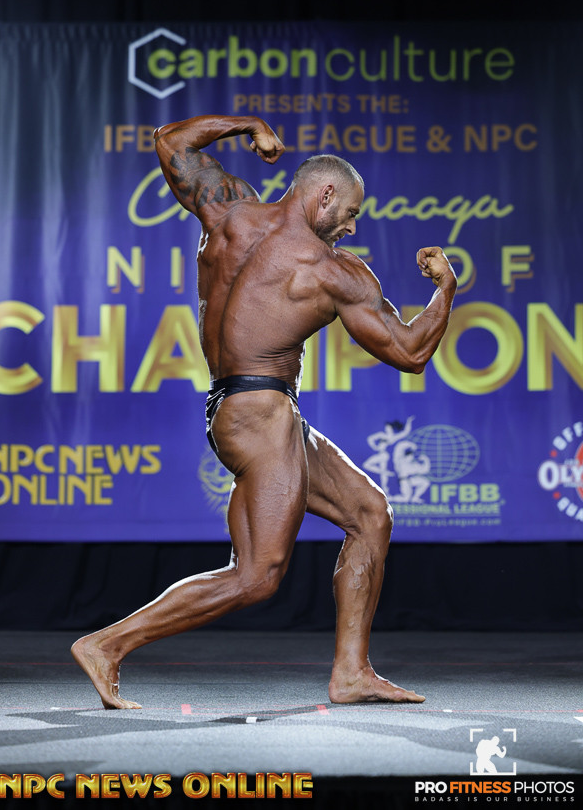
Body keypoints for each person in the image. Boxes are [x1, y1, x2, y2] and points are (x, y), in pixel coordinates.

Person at [71, 115, 456, 709]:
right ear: (323, 195)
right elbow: (410, 353)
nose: (352, 225)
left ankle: (351, 673)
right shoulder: (333, 270)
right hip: (264, 416)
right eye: (350, 212)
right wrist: (444, 290)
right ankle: (108, 645)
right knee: (256, 577)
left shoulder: (228, 212)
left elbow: (170, 141)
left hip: (240, 409)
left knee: (369, 512)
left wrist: (248, 126)